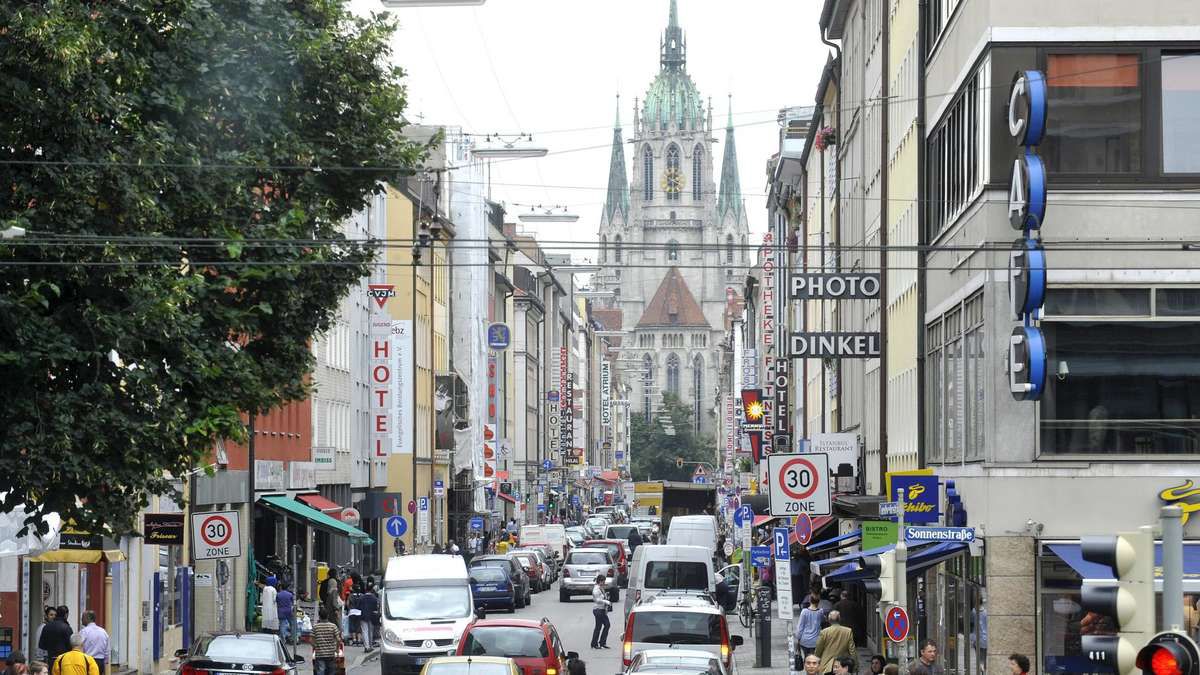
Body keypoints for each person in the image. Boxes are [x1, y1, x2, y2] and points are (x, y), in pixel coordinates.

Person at [814, 610, 855, 675]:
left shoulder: (824, 632)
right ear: (840, 619)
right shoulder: (848, 631)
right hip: (842, 666)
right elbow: (852, 650)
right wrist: (855, 666)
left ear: (829, 620)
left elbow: (818, 650)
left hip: (826, 666)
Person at [311, 609, 342, 675]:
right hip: (331, 653)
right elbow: (339, 640)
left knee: (320, 671)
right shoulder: (333, 626)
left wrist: (316, 647)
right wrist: (337, 649)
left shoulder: (315, 627)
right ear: (328, 616)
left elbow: (311, 640)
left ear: (319, 616)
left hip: (319, 654)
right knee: (331, 671)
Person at [795, 594, 823, 659]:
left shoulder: (804, 612)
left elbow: (800, 627)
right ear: (818, 602)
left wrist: (798, 638)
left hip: (805, 640)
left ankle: (807, 668)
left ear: (810, 601)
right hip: (816, 641)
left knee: (806, 657)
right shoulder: (820, 612)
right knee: (814, 659)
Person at [276, 582, 297, 660]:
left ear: (281, 587)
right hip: (289, 610)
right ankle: (294, 639)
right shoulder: (290, 594)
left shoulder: (278, 594)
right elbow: (293, 603)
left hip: (281, 611)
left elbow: (276, 602)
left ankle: (283, 640)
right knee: (293, 624)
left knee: (282, 625)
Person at [590, 575, 612, 649]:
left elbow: (603, 596)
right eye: (603, 581)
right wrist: (606, 602)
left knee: (606, 625)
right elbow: (597, 600)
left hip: (602, 610)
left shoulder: (600, 588)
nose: (604, 583)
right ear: (600, 581)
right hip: (598, 610)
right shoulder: (596, 589)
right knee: (600, 626)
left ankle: (600, 643)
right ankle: (596, 643)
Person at [358, 585, 380, 649]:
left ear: (365, 590)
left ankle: (366, 646)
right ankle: (371, 646)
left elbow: (358, 607)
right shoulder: (374, 598)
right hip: (372, 616)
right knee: (371, 631)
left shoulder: (361, 597)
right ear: (371, 590)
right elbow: (376, 607)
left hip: (363, 616)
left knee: (364, 631)